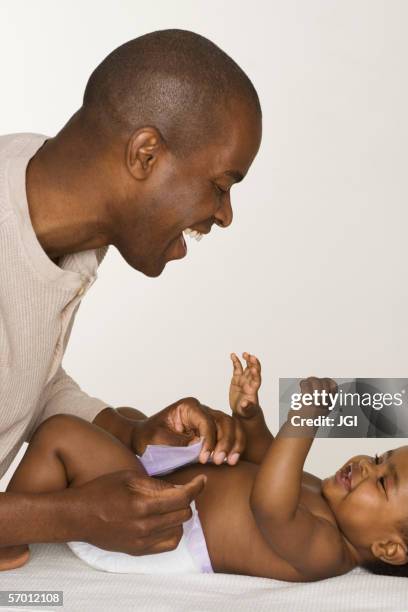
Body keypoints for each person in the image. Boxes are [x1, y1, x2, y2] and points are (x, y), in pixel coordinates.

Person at [0, 29, 262, 564]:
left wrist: (131, 431)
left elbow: (21, 378)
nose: (225, 214)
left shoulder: (48, 210)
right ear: (145, 154)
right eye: (220, 184)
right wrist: (71, 514)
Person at [3, 353, 408, 581]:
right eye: (380, 457)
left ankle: (13, 532)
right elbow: (265, 459)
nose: (364, 464)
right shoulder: (324, 495)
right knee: (131, 420)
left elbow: (269, 503)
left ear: (387, 548)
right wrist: (252, 415)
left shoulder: (324, 552)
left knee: (61, 434)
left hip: (149, 527)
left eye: (383, 482)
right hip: (156, 482)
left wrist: (304, 422)